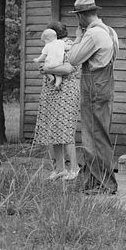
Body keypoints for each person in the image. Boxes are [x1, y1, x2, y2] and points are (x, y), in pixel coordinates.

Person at [64, 0, 120, 195]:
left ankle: (105, 184)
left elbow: (72, 58)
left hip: (94, 89)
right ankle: (91, 181)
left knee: (94, 137)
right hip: (105, 87)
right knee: (98, 135)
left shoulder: (92, 34)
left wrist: (78, 36)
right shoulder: (110, 31)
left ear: (81, 16)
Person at [33, 22, 81, 181]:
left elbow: (68, 69)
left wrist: (46, 69)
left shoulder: (71, 46)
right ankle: (60, 169)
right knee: (53, 129)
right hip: (52, 90)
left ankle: (74, 168)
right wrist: (44, 68)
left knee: (65, 128)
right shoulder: (52, 46)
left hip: (66, 90)